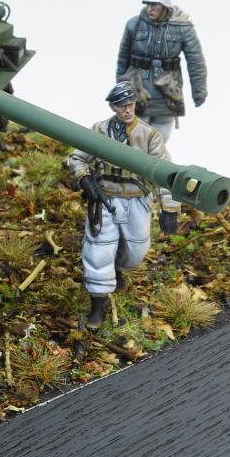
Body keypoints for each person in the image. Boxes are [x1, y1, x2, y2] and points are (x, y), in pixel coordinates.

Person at [66, 82, 181, 329]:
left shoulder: (149, 136)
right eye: (121, 106)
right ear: (113, 107)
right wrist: (85, 179)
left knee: (136, 251)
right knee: (98, 251)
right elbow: (77, 158)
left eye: (130, 104)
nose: (126, 110)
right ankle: (98, 306)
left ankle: (117, 269)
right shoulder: (99, 130)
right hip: (105, 198)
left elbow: (165, 172)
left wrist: (170, 208)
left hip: (136, 199)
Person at [115, 0, 207, 140]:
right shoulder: (133, 25)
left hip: (167, 90)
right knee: (135, 136)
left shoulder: (183, 28)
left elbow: (195, 61)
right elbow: (123, 59)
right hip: (138, 87)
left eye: (155, 5)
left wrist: (199, 91)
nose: (150, 9)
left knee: (159, 138)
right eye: (148, 4)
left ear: (165, 6)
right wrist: (121, 88)